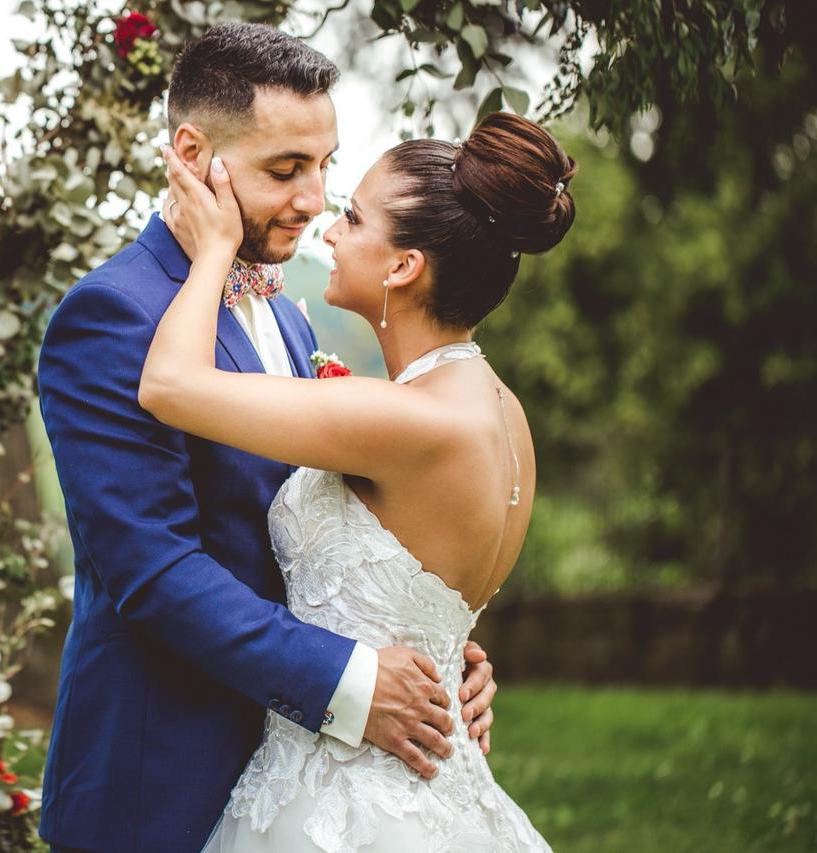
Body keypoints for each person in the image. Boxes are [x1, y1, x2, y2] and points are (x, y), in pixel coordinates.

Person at [36, 22, 500, 853]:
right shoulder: (110, 317)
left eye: (324, 165)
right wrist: (357, 682)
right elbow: (154, 570)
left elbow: (322, 534)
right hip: (163, 779)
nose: (314, 198)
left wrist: (432, 645)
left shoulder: (288, 314)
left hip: (301, 781)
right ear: (192, 151)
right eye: (285, 169)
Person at [140, 103, 576, 850]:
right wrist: (455, 658)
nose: (329, 230)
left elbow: (169, 386)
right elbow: (431, 592)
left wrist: (214, 250)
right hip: (440, 780)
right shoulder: (505, 414)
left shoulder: (405, 419)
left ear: (404, 266)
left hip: (347, 804)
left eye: (353, 218)